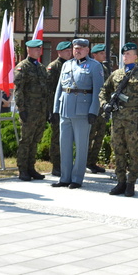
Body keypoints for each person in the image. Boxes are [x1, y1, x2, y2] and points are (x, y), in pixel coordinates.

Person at [52, 38, 103, 189]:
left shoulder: (95, 66)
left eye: (81, 48)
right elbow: (59, 88)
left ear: (87, 50)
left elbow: (98, 91)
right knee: (65, 145)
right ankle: (65, 177)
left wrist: (94, 111)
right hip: (65, 109)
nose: (77, 50)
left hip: (82, 111)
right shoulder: (67, 64)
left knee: (81, 146)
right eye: (75, 48)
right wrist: (55, 109)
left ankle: (77, 178)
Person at [105, 43, 138, 197]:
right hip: (118, 119)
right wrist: (104, 104)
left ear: (135, 57)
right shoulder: (116, 74)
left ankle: (131, 183)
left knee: (134, 152)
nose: (125, 56)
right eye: (124, 54)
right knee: (118, 150)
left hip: (134, 120)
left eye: (128, 54)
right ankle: (120, 182)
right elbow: (103, 90)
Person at [14, 39, 50, 182]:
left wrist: (47, 109)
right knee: (26, 141)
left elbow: (45, 90)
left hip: (40, 111)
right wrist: (21, 109)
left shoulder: (41, 67)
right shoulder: (23, 67)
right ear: (28, 50)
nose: (38, 51)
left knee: (35, 140)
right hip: (28, 110)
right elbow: (18, 90)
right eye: (36, 49)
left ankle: (31, 167)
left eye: (40, 49)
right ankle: (22, 169)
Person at [46, 41, 72, 177]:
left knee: (67, 138)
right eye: (67, 51)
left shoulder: (71, 65)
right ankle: (56, 166)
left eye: (70, 50)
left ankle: (65, 165)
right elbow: (49, 90)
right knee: (56, 138)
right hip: (56, 107)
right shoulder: (54, 67)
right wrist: (51, 110)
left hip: (67, 107)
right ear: (59, 52)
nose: (69, 53)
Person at [86, 43, 112, 174]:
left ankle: (92, 162)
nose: (104, 55)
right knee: (89, 135)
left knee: (100, 135)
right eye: (101, 53)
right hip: (92, 106)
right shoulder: (90, 67)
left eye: (104, 53)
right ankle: (83, 161)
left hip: (103, 107)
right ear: (94, 55)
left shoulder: (105, 68)